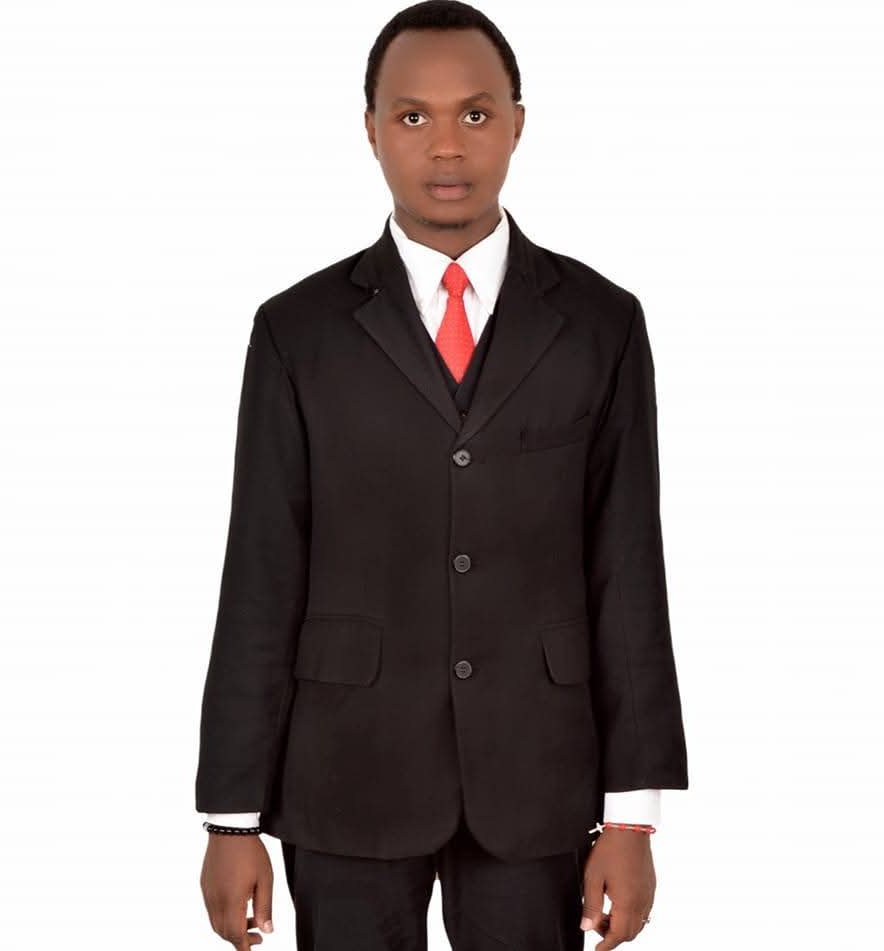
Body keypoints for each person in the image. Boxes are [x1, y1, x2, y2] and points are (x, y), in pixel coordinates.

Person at [195, 2, 689, 949]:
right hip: (344, 771)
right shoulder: (297, 331)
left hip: (538, 775)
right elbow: (260, 571)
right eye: (413, 115)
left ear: (517, 122)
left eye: (476, 112)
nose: (447, 145)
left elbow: (628, 570)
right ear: (371, 128)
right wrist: (230, 816)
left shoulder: (602, 324)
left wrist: (633, 817)